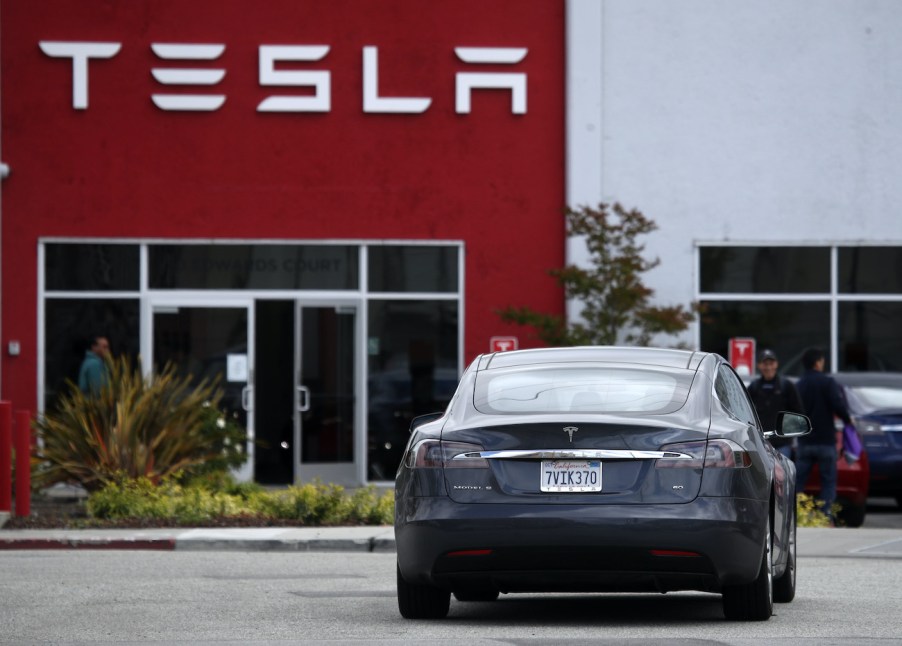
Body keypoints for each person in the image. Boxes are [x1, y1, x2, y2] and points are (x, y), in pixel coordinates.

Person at [794, 347, 853, 523]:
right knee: (828, 482)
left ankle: (796, 514)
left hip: (805, 441)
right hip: (825, 441)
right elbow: (838, 405)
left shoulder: (799, 385)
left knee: (798, 481)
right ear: (818, 363)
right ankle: (825, 516)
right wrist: (848, 420)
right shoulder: (828, 383)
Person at [747, 349, 805, 459]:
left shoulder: (787, 386)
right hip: (760, 444)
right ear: (759, 365)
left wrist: (788, 431)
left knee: (783, 470)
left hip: (782, 444)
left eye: (771, 363)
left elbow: (798, 413)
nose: (768, 367)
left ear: (776, 364)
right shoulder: (753, 388)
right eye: (765, 364)